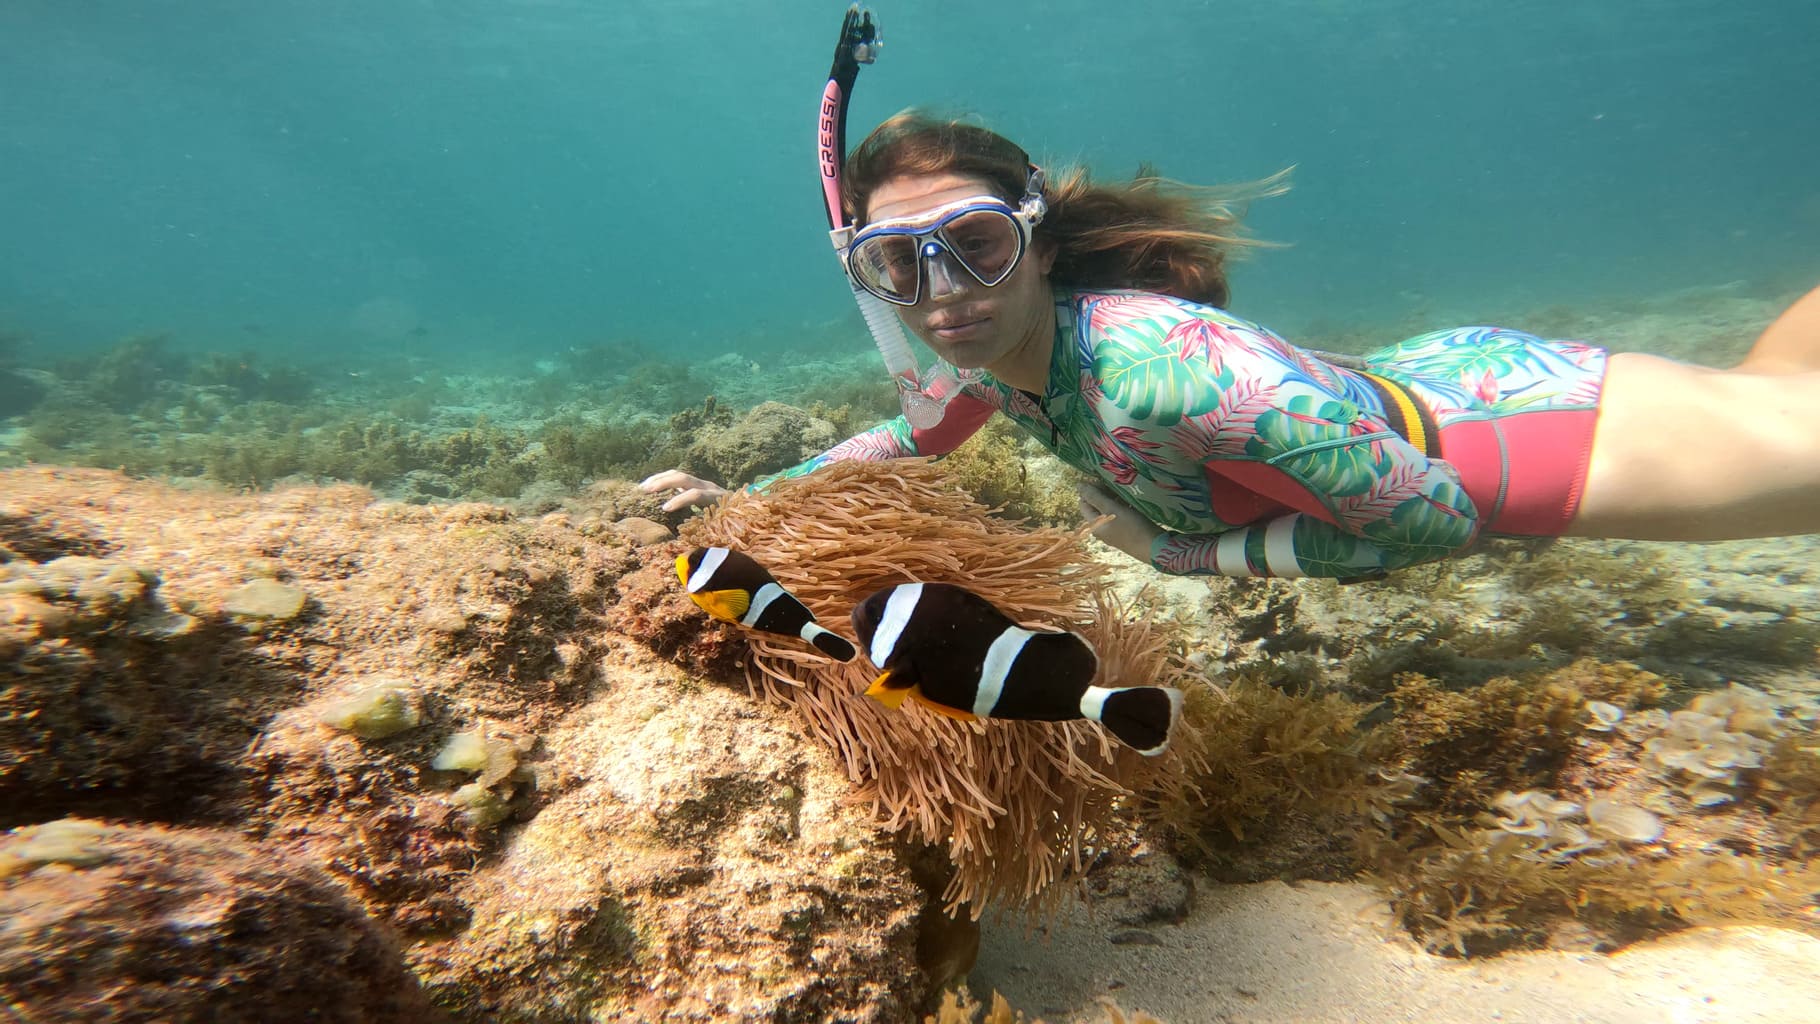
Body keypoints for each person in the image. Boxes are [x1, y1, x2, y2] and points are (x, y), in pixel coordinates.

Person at [642, 112, 1820, 579]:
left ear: (1039, 242)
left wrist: (1184, 558)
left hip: (1546, 447)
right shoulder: (985, 361)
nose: (939, 292)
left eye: (975, 244)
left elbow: (1438, 517)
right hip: (1432, 379)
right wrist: (743, 494)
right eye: (895, 265)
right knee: (1780, 378)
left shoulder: (1162, 381)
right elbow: (922, 430)